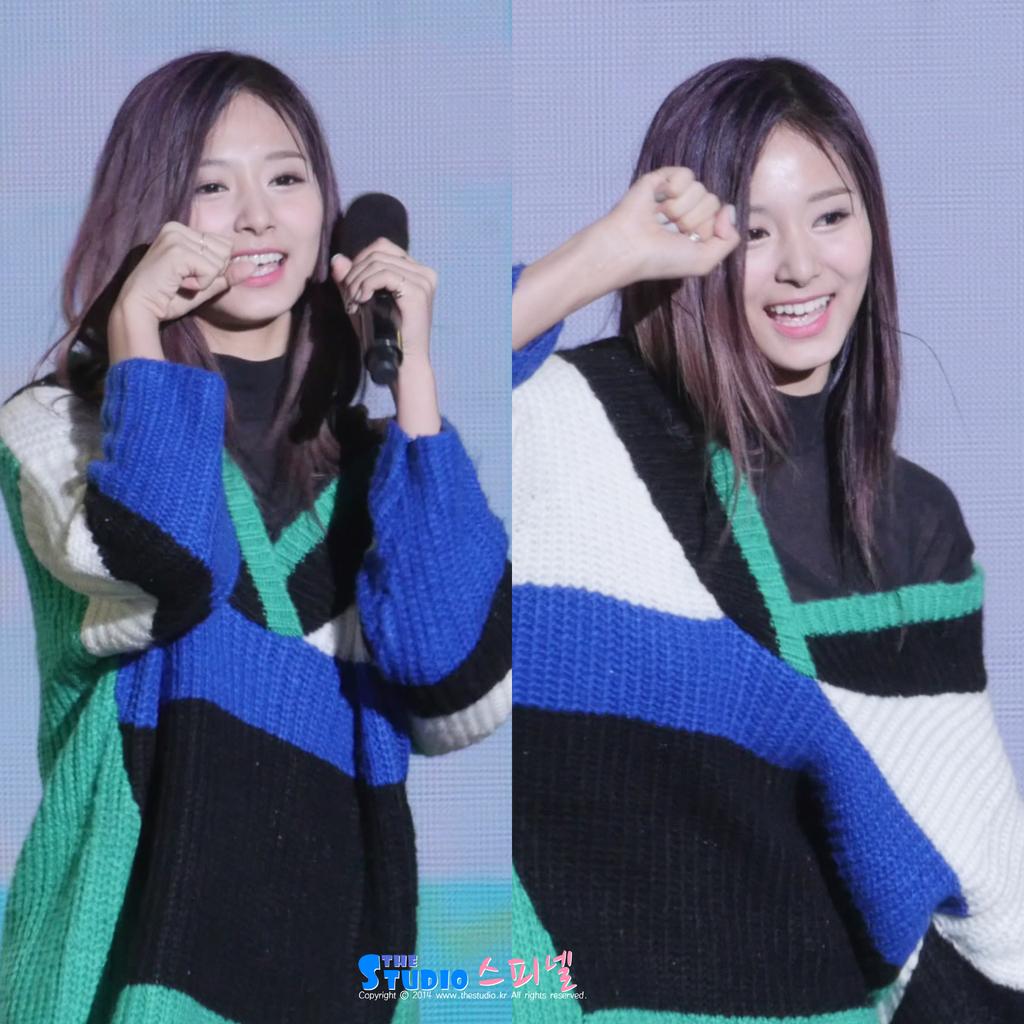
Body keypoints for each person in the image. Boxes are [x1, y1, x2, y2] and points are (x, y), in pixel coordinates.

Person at [0, 51, 510, 1024]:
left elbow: (456, 683)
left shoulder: (389, 477)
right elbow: (175, 565)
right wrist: (137, 324)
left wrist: (411, 375)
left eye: (285, 178)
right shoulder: (63, 430)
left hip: (337, 981)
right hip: (122, 971)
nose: (256, 217)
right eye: (210, 186)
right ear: (152, 215)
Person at [511, 57, 1023, 1022]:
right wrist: (602, 255)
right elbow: (421, 383)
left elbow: (982, 874)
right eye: (752, 232)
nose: (801, 265)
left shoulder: (913, 520)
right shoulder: (571, 426)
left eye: (831, 217)